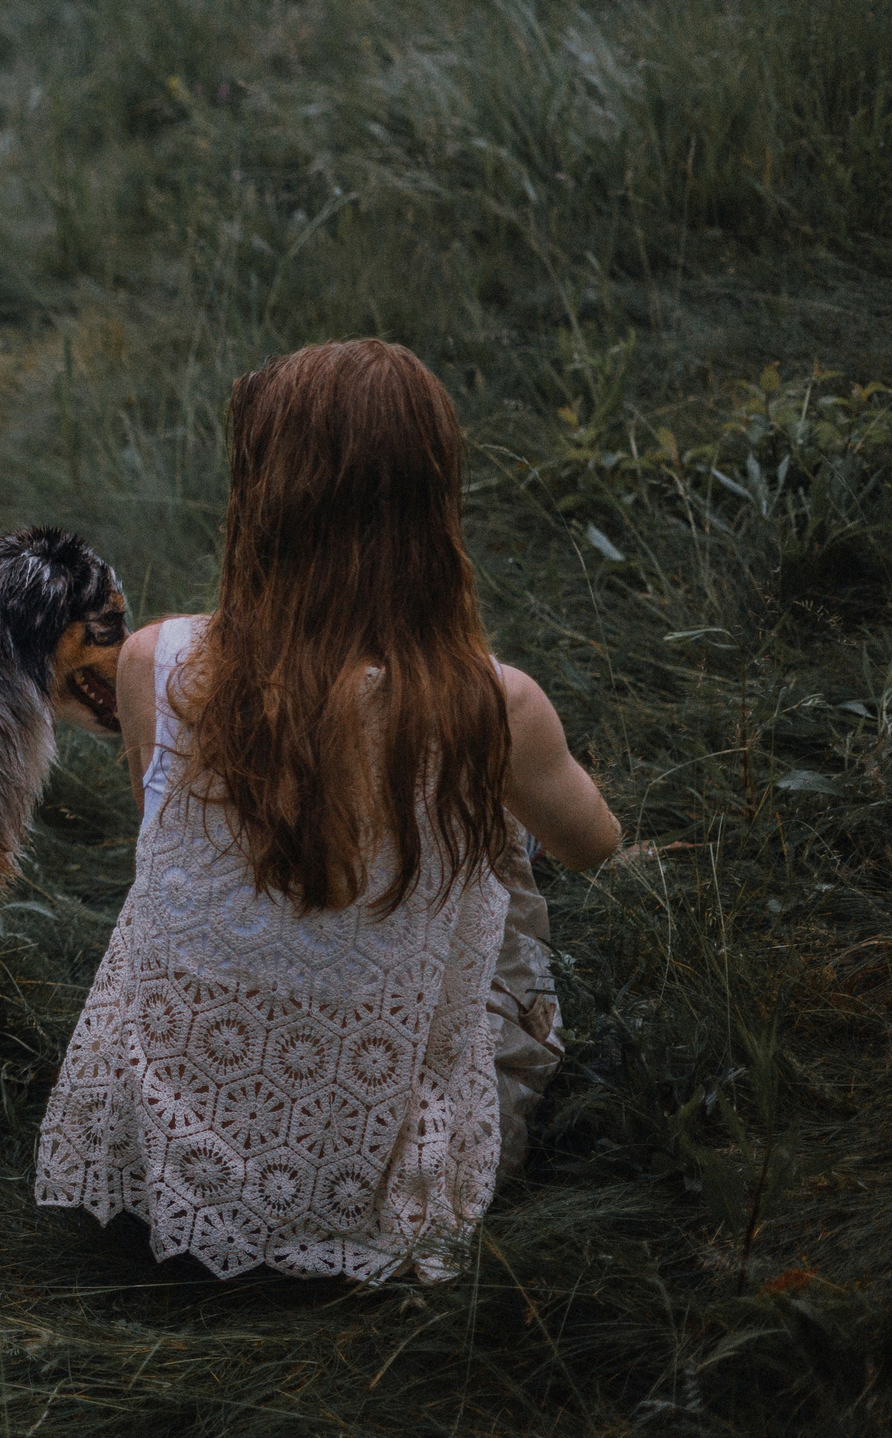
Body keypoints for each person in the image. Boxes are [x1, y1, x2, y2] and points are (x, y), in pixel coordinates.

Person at [32, 339, 621, 1282]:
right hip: (380, 1188)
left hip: (168, 1156)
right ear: (432, 506)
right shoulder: (493, 704)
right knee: (499, 844)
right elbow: (595, 846)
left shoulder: (153, 660)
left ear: (262, 500)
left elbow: (163, 827)